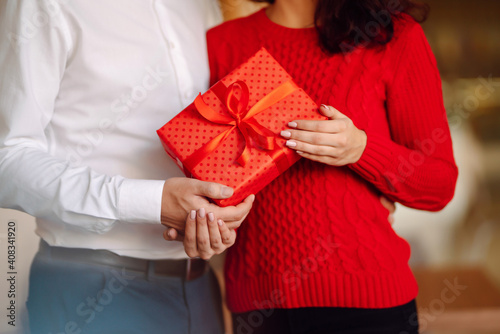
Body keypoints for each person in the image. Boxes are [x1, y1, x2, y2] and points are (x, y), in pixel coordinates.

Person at [199, 0, 458, 333]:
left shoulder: (392, 35)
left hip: (367, 304)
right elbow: (208, 178)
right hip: (258, 306)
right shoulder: (221, 42)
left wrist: (361, 150)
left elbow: (439, 184)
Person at [0, 1, 254, 333]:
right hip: (91, 291)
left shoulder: (201, 6)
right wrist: (152, 202)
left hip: (198, 288)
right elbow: (8, 158)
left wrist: (217, 212)